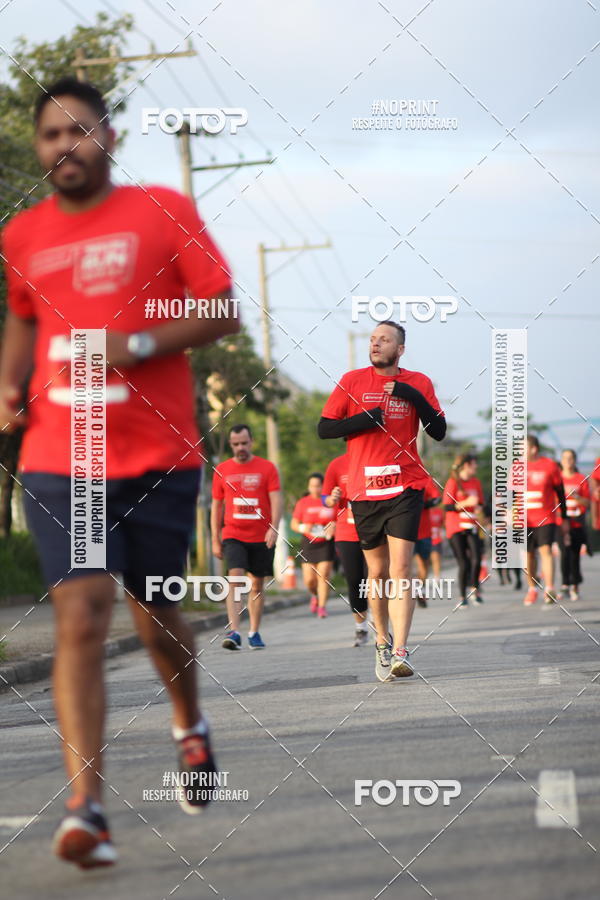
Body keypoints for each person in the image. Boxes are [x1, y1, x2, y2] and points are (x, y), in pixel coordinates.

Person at [0, 78, 239, 866]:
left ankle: (189, 723)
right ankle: (87, 809)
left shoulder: (163, 210)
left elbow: (220, 308)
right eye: (48, 135)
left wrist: (134, 343)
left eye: (78, 131)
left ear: (110, 137)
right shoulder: (24, 234)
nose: (62, 147)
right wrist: (9, 382)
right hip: (62, 454)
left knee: (156, 615)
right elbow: (23, 317)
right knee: (82, 612)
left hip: (157, 452)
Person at [318, 321, 446, 681]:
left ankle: (402, 650)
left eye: (384, 340)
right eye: (373, 339)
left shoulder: (418, 382)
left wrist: (412, 397)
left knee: (401, 569)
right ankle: (381, 642)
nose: (375, 344)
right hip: (364, 490)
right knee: (377, 572)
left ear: (400, 349)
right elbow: (325, 428)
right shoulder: (352, 381)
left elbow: (438, 430)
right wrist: (364, 420)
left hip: (406, 485)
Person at [211, 424, 282, 649]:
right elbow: (217, 506)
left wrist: (274, 527)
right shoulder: (222, 469)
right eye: (235, 444)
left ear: (251, 442)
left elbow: (276, 499)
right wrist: (215, 537)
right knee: (235, 578)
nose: (240, 447)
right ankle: (234, 632)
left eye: (244, 443)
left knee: (257, 585)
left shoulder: (267, 468)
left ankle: (254, 632)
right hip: (233, 533)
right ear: (231, 445)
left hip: (261, 536)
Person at [323, 450, 369, 645]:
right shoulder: (336, 464)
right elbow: (324, 498)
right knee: (354, 580)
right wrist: (332, 499)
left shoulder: (374, 459)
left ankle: (379, 621)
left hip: (373, 530)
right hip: (347, 532)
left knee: (377, 577)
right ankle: (361, 627)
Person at [523, 435, 570, 605]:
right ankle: (532, 589)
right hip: (524, 520)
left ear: (534, 448)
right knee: (528, 556)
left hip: (546, 518)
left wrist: (564, 517)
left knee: (546, 551)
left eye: (523, 447)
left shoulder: (549, 466)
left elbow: (560, 493)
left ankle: (549, 588)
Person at [291, 472, 336, 618]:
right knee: (309, 580)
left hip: (326, 543)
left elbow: (338, 518)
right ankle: (315, 595)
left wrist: (333, 525)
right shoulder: (303, 502)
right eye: (312, 486)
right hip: (308, 543)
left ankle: (322, 607)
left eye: (318, 486)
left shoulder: (329, 501)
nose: (315, 489)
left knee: (324, 576)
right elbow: (294, 524)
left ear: (323, 486)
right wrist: (304, 528)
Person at [442, 455, 485, 607]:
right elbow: (447, 506)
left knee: (477, 558)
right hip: (455, 527)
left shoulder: (476, 482)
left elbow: (481, 504)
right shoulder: (453, 482)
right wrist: (465, 503)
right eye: (474, 464)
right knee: (464, 562)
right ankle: (462, 596)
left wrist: (479, 507)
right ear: (466, 465)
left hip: (472, 525)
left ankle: (475, 589)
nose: (476, 467)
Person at [556, 449, 590, 601]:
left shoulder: (581, 478)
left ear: (575, 460)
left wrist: (575, 496)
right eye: (565, 458)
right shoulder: (556, 478)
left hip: (576, 522)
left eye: (570, 458)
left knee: (574, 555)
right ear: (561, 461)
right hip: (560, 522)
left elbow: (587, 503)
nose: (568, 461)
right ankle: (564, 585)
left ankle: (575, 585)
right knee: (564, 553)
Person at [413, 476, 442, 607]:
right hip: (405, 531)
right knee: (407, 565)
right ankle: (411, 593)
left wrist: (421, 505)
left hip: (424, 531)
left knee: (424, 565)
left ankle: (420, 590)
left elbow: (437, 498)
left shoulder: (425, 479)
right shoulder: (397, 476)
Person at [429, 502, 444, 579]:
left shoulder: (439, 511)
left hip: (437, 539)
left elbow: (442, 523)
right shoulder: (426, 511)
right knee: (425, 561)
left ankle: (437, 576)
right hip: (427, 538)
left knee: (436, 558)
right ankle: (422, 580)